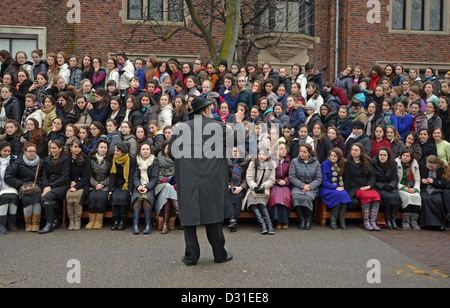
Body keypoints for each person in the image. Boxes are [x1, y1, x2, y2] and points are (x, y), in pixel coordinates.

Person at [168, 95, 235, 265]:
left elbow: (170, 153)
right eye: (210, 108)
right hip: (212, 179)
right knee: (213, 217)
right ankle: (219, 254)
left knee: (189, 218)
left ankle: (191, 257)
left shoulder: (181, 128)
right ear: (206, 110)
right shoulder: (218, 127)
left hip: (188, 178)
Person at [4, 142, 43, 232]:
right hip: (23, 186)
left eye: (34, 151)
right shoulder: (18, 162)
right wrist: (21, 184)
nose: (32, 153)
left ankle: (36, 224)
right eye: (29, 151)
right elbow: (8, 177)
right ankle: (28, 224)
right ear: (24, 152)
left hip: (37, 186)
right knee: (27, 200)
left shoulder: (41, 162)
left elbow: (44, 176)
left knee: (37, 201)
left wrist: (41, 186)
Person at [344, 142, 381, 231]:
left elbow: (372, 176)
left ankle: (372, 221)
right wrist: (347, 193)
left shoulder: (367, 161)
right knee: (366, 196)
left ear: (361, 152)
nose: (354, 152)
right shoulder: (347, 162)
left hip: (366, 186)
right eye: (353, 150)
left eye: (356, 150)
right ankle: (366, 222)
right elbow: (346, 179)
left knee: (376, 195)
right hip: (354, 188)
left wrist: (369, 186)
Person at [242, 147, 276, 234]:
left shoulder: (271, 164)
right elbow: (249, 177)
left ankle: (269, 224)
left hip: (264, 189)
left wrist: (263, 186)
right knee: (252, 203)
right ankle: (263, 224)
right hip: (253, 188)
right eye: (259, 154)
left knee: (261, 203)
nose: (261, 156)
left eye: (264, 154)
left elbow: (272, 179)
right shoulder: (253, 163)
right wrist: (254, 186)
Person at [39, 140, 70, 234]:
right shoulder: (47, 160)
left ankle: (49, 224)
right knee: (42, 196)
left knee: (46, 197)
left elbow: (65, 177)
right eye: (51, 148)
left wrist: (51, 187)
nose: (52, 150)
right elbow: (44, 175)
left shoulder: (65, 159)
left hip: (62, 185)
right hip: (49, 185)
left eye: (54, 148)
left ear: (60, 149)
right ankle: (55, 221)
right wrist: (46, 186)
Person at [289, 143, 322, 230]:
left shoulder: (316, 163)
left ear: (309, 153)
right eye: (300, 151)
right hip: (298, 186)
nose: (302, 154)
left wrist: (310, 186)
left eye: (304, 152)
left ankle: (308, 220)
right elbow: (292, 177)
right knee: (296, 197)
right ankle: (301, 219)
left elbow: (318, 178)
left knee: (307, 198)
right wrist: (302, 185)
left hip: (311, 187)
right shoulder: (294, 161)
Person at [131, 142, 159, 235]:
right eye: (143, 149)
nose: (145, 151)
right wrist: (138, 186)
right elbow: (135, 177)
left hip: (149, 188)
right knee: (137, 199)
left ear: (150, 151)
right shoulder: (136, 161)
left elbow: (155, 179)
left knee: (147, 199)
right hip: (138, 187)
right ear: (140, 151)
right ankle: (135, 224)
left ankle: (148, 224)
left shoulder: (154, 162)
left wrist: (147, 188)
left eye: (147, 149)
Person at [320, 147, 351, 229]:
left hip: (337, 188)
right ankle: (333, 219)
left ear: (339, 158)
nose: (332, 158)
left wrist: (338, 187)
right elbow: (324, 182)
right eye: (331, 155)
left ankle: (342, 219)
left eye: (335, 156)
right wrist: (336, 187)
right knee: (338, 194)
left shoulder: (340, 165)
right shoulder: (325, 165)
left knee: (344, 193)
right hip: (326, 188)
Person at [372, 147, 402, 230]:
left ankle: (393, 220)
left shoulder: (393, 164)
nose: (382, 157)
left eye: (384, 155)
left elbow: (395, 178)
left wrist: (391, 185)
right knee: (387, 197)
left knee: (397, 197)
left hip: (390, 186)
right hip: (379, 187)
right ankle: (387, 219)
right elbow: (372, 180)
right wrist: (383, 186)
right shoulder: (373, 164)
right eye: (380, 155)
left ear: (388, 156)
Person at [108, 142, 136, 231]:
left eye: (117, 151)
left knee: (123, 198)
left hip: (126, 184)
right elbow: (112, 176)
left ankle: (123, 221)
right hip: (117, 185)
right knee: (115, 198)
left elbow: (131, 176)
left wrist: (130, 189)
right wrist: (110, 189)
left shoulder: (131, 160)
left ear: (123, 152)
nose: (115, 152)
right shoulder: (114, 160)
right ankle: (116, 220)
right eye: (115, 150)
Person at [419, 155, 450, 231]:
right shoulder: (421, 167)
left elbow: (447, 184)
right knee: (424, 199)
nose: (430, 169)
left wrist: (434, 181)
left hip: (437, 190)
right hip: (425, 189)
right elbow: (416, 178)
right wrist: (422, 180)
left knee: (438, 200)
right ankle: (425, 223)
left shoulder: (443, 170)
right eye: (428, 167)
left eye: (432, 167)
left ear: (437, 164)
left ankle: (438, 224)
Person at [66, 139, 91, 231]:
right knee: (69, 195)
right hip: (71, 183)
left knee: (76, 195)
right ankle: (71, 220)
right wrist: (71, 182)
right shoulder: (67, 159)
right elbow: (65, 174)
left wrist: (76, 186)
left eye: (79, 147)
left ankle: (77, 220)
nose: (77, 149)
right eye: (75, 147)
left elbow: (86, 177)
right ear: (71, 147)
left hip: (82, 184)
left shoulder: (86, 159)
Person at [86, 139, 111, 230]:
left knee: (101, 198)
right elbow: (89, 175)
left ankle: (99, 221)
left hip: (105, 185)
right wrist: (96, 184)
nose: (103, 149)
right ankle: (91, 220)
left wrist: (102, 184)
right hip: (94, 185)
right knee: (92, 197)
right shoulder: (91, 159)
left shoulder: (109, 160)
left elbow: (111, 175)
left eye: (105, 148)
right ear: (97, 148)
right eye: (101, 147)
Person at [155, 140, 178, 234]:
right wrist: (170, 180)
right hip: (160, 187)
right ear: (163, 149)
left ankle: (165, 223)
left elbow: (179, 176)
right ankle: (179, 211)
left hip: (175, 187)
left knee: (169, 189)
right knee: (168, 187)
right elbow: (159, 178)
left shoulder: (178, 159)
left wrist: (172, 182)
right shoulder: (158, 160)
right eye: (168, 148)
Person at [268, 142, 292, 229]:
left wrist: (285, 181)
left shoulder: (289, 161)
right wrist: (274, 180)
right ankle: (277, 221)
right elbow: (268, 173)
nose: (283, 150)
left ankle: (285, 221)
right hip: (274, 183)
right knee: (274, 197)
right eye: (281, 149)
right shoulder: (271, 160)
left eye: (284, 149)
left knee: (286, 197)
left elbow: (292, 175)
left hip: (285, 184)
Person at [395, 149, 421, 231]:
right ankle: (405, 221)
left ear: (411, 158)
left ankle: (413, 221)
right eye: (404, 155)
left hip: (411, 187)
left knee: (417, 196)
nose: (405, 157)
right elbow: (394, 180)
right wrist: (404, 188)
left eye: (407, 156)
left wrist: (415, 189)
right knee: (407, 196)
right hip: (400, 186)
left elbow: (417, 179)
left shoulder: (414, 164)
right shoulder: (396, 163)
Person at [226, 146, 250, 232]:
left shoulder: (246, 163)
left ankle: (233, 220)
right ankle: (233, 220)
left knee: (238, 197)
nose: (235, 153)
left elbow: (247, 178)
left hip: (241, 186)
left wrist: (241, 187)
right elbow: (225, 176)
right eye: (234, 151)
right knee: (229, 197)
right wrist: (228, 185)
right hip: (230, 186)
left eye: (237, 151)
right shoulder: (227, 163)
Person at [0, 142, 18, 234]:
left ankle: (11, 223)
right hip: (1, 186)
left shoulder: (14, 160)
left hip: (11, 185)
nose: (7, 153)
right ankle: (1, 224)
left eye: (9, 151)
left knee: (12, 196)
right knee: (4, 197)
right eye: (4, 151)